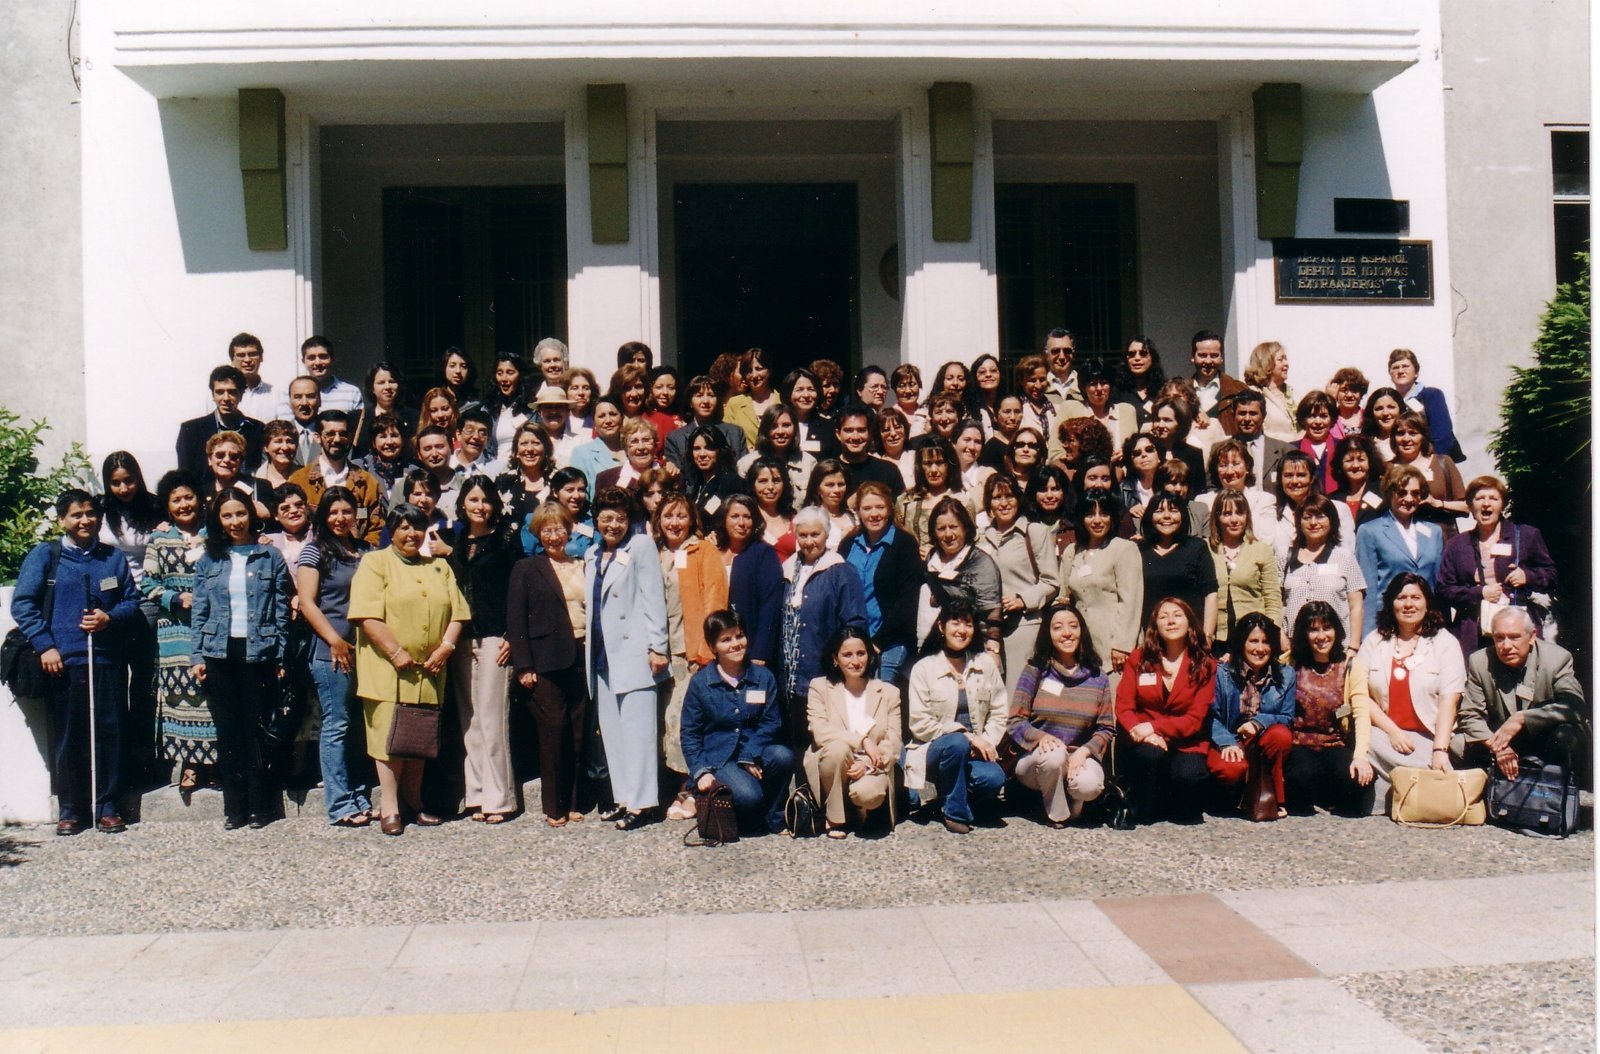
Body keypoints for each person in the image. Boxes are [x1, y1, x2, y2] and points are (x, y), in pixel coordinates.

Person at [12, 490, 142, 835]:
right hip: (64, 662)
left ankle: (108, 805)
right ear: (62, 520)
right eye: (76, 515)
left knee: (110, 733)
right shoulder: (46, 555)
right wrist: (45, 646)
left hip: (106, 661)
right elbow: (23, 603)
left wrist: (108, 618)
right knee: (70, 737)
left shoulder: (112, 558)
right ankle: (71, 808)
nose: (84, 520)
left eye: (89, 514)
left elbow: (131, 601)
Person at [349, 504, 470, 835]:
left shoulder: (440, 567)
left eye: (417, 527)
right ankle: (390, 808)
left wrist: (445, 647)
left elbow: (458, 613)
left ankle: (413, 804)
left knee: (418, 740)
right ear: (391, 530)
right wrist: (395, 651)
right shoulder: (375, 563)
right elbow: (365, 614)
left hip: (429, 669)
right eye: (403, 527)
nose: (411, 534)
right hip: (388, 669)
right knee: (388, 740)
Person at [189, 491, 292, 829]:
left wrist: (280, 655)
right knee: (228, 732)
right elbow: (200, 611)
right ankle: (234, 808)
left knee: (256, 729)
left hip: (258, 651)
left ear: (250, 514)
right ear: (218, 520)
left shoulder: (270, 556)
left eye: (240, 514)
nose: (235, 522)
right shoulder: (209, 560)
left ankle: (260, 807)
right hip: (219, 652)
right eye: (227, 516)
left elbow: (280, 611)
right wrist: (197, 655)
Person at [586, 487, 670, 829]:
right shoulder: (592, 554)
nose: (613, 524)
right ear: (596, 520)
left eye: (621, 518)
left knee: (638, 732)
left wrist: (658, 647)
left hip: (634, 651)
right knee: (614, 732)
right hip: (603, 655)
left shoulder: (640, 547)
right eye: (606, 517)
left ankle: (643, 802)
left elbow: (653, 598)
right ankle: (623, 798)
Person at [295, 487, 375, 827]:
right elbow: (308, 602)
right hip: (331, 651)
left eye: (347, 511)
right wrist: (334, 640)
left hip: (366, 651)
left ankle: (358, 793)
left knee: (357, 726)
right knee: (337, 724)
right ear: (323, 516)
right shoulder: (314, 552)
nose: (340, 518)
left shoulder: (366, 551)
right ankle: (340, 803)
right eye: (333, 512)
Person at [1348, 573, 1465, 808]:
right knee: (1364, 740)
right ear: (1391, 603)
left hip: (1430, 736)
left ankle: (1402, 785)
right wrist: (1393, 732)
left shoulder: (1445, 642)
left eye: (1416, 597)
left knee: (1437, 758)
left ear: (1427, 603)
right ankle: (1429, 784)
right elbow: (1360, 696)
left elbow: (1449, 702)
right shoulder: (1375, 640)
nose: (1408, 604)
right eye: (1401, 598)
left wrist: (1439, 750)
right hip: (1386, 736)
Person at [507, 502, 591, 827]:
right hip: (544, 661)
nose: (554, 536)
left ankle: (572, 803)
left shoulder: (582, 564)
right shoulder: (527, 568)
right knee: (553, 731)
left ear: (569, 531)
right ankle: (553, 807)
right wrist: (524, 666)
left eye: (559, 529)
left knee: (577, 732)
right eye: (547, 530)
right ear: (538, 534)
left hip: (580, 654)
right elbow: (516, 620)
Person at [447, 476, 522, 824]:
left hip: (496, 636)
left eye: (485, 500)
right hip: (463, 637)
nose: (479, 506)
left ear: (494, 504)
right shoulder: (459, 541)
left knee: (493, 719)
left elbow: (519, 589)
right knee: (470, 720)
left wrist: (514, 633)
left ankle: (501, 798)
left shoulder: (506, 539)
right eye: (473, 499)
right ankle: (476, 794)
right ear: (463, 504)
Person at [681, 609, 795, 835]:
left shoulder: (763, 677)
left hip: (752, 750)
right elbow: (689, 733)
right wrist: (700, 771)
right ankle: (727, 808)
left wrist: (749, 753)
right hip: (719, 759)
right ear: (713, 647)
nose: (735, 644)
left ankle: (774, 818)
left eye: (739, 636)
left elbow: (771, 722)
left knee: (784, 756)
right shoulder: (701, 683)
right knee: (750, 796)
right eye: (726, 639)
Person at [652, 493, 728, 818]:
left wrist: (706, 650)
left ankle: (690, 789)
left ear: (692, 520)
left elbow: (715, 601)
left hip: (689, 650)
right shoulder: (653, 553)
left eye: (682, 516)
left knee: (682, 720)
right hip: (658, 651)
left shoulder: (702, 551)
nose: (675, 523)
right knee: (661, 723)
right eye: (669, 516)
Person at [904, 599, 1008, 834]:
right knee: (957, 742)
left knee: (994, 779)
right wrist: (968, 737)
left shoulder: (985, 664)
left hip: (975, 752)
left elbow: (999, 712)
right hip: (934, 751)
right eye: (955, 623)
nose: (962, 630)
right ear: (941, 627)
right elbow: (919, 723)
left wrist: (986, 742)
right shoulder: (924, 668)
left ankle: (947, 798)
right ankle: (955, 813)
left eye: (968, 624)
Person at [1005, 602, 1114, 826]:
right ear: (1048, 634)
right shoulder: (1035, 670)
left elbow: (1106, 728)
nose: (1066, 633)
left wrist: (1084, 752)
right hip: (1038, 759)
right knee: (1054, 756)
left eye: (1073, 626)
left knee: (1089, 785)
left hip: (1077, 757)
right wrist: (1041, 737)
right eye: (1057, 628)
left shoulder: (1098, 677)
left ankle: (1064, 799)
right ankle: (1059, 813)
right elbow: (1015, 720)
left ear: (1081, 631)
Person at [1115, 597, 1215, 825]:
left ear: (1190, 623)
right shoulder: (1139, 659)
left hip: (1186, 741)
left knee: (1189, 780)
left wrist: (1155, 726)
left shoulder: (1205, 665)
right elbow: (1124, 706)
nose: (1171, 621)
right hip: (1145, 740)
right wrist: (1146, 733)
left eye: (1178, 615)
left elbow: (1194, 719)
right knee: (1151, 758)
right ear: (1155, 626)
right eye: (1163, 616)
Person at [1455, 607, 1586, 777]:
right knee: (1457, 745)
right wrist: (1498, 747)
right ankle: (1490, 792)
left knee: (1566, 736)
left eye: (1514, 637)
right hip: (1504, 743)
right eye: (1499, 638)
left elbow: (1575, 706)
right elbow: (1469, 715)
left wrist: (1523, 718)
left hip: (1544, 739)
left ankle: (1559, 792)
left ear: (1532, 636)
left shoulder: (1557, 659)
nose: (1506, 646)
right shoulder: (1480, 661)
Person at [1437, 475, 1558, 655]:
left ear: (1502, 504)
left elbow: (1551, 574)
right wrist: (1479, 593)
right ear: (1470, 506)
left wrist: (1527, 576)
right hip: (1473, 632)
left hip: (1517, 629)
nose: (1486, 504)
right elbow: (1443, 589)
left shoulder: (1526, 535)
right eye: (1479, 499)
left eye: (1493, 498)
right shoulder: (1457, 544)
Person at [804, 625, 902, 837]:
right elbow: (821, 732)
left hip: (871, 765)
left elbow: (894, 742)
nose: (855, 661)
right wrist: (863, 741)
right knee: (837, 748)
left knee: (869, 793)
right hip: (833, 762)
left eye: (861, 653)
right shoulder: (820, 687)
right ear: (835, 658)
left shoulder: (889, 693)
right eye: (847, 655)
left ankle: (858, 808)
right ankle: (836, 817)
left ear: (870, 655)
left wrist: (867, 764)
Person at [99, 451, 161, 785]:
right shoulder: (99, 509)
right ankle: (116, 755)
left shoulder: (153, 507)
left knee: (143, 681)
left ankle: (143, 754)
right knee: (113, 679)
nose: (123, 488)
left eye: (128, 480)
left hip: (147, 599)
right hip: (111, 600)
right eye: (116, 482)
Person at [779, 507, 868, 729]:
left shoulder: (841, 570)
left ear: (826, 535)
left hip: (823, 672)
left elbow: (854, 622)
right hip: (790, 674)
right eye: (803, 535)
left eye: (815, 534)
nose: (809, 541)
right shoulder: (788, 568)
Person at [1284, 602, 1373, 816]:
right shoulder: (1290, 662)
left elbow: (1362, 713)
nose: (1321, 636)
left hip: (1334, 744)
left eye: (1327, 628)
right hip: (1299, 744)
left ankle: (1327, 796)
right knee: (1300, 778)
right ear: (1304, 633)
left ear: (1336, 630)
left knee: (1359, 790)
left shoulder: (1350, 666)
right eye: (1314, 629)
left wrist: (1360, 756)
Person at [1206, 612, 1294, 819]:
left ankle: (1274, 798)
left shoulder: (1287, 674)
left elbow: (1287, 717)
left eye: (1266, 642)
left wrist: (1259, 722)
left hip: (1260, 741)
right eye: (1253, 641)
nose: (1260, 649)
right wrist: (1227, 743)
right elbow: (1210, 716)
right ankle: (1235, 796)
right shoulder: (1221, 673)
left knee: (1281, 735)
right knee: (1230, 769)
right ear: (1241, 643)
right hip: (1229, 739)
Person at [976, 472, 1059, 688]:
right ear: (988, 503)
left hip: (1024, 627)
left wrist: (1022, 598)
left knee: (1018, 692)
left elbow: (1051, 582)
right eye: (996, 498)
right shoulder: (980, 538)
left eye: (1009, 496)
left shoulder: (1035, 532)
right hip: (987, 630)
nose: (1004, 503)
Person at [839, 481, 922, 687]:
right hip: (854, 640)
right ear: (858, 511)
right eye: (867, 508)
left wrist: (877, 642)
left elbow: (907, 601)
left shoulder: (904, 544)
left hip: (890, 640)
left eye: (880, 507)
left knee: (881, 696)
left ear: (889, 509)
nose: (874, 514)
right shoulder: (849, 543)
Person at [1354, 464, 1445, 638]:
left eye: (1415, 493)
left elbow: (1436, 584)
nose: (1409, 498)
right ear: (1389, 493)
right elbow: (1368, 590)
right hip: (1387, 623)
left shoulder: (1434, 532)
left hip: (1424, 624)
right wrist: (1369, 635)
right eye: (1402, 492)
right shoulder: (1370, 531)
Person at [1058, 490, 1144, 674]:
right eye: (1090, 514)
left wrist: (1122, 645)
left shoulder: (1123, 549)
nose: (1097, 520)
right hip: (1081, 647)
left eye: (1104, 514)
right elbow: (1064, 598)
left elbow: (1131, 602)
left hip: (1115, 648)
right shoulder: (1071, 552)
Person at [288, 410, 386, 546]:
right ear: (317, 437)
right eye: (330, 434)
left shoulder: (367, 483)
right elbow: (290, 526)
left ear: (350, 437)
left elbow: (376, 529)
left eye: (343, 434)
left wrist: (360, 555)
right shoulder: (299, 481)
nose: (337, 439)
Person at [923, 496, 1005, 657]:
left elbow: (992, 612)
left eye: (954, 527)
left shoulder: (981, 562)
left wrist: (993, 650)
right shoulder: (930, 558)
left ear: (966, 528)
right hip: (934, 646)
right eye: (941, 528)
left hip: (973, 648)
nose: (948, 534)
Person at [1280, 493, 1367, 641]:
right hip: (1295, 649)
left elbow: (1356, 607)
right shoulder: (1285, 557)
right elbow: (1277, 603)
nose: (1313, 522)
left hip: (1335, 648)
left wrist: (1353, 647)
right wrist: (1281, 636)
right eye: (1307, 517)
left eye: (1320, 516)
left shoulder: (1345, 557)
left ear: (1332, 520)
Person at [1208, 489, 1281, 658]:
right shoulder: (1205, 549)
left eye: (1239, 513)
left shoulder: (1262, 550)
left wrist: (1270, 633)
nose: (1234, 519)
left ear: (1247, 516)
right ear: (1217, 518)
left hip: (1254, 637)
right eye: (1227, 513)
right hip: (1216, 638)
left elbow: (1272, 598)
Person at [1137, 493, 1218, 638]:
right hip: (1152, 638)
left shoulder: (1197, 547)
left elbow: (1210, 594)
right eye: (1159, 511)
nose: (1167, 516)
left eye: (1174, 510)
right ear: (1150, 516)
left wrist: (1207, 636)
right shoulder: (1139, 550)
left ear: (1183, 515)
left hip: (1191, 637)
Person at [718, 494, 785, 668]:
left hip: (751, 649)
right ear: (724, 519)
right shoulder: (713, 551)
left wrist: (760, 652)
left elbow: (771, 604)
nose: (741, 523)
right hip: (719, 646)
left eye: (747, 517)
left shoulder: (764, 553)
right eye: (734, 516)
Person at [177, 365, 266, 478]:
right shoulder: (191, 431)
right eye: (220, 392)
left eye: (232, 392)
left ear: (241, 394)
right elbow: (186, 477)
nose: (226, 398)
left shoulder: (257, 429)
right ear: (213, 395)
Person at [1388, 410, 1467, 537]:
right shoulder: (1387, 469)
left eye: (1413, 433)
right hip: (1400, 540)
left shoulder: (1443, 462)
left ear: (1423, 437)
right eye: (1400, 433)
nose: (1406, 439)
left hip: (1442, 539)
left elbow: (1466, 507)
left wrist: (1438, 504)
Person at [895, 438, 973, 559]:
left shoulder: (963, 502)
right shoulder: (905, 501)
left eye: (940, 462)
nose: (934, 470)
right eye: (927, 463)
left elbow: (970, 543)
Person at [1388, 348, 1464, 462]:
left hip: (1430, 463)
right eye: (1395, 367)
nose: (1400, 371)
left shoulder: (1431, 395)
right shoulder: (1390, 402)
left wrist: (1430, 465)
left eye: (1405, 366)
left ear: (1416, 372)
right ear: (1390, 374)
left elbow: (1442, 437)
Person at [664, 374, 747, 473]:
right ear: (690, 402)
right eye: (699, 396)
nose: (706, 401)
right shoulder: (675, 439)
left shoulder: (735, 433)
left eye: (711, 395)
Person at [736, 404, 817, 497]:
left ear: (795, 428)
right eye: (773, 426)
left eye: (786, 425)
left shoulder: (809, 463)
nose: (780, 431)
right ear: (765, 430)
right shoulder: (747, 464)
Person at [494, 420, 554, 542]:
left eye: (536, 443)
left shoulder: (556, 481)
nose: (530, 449)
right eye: (524, 443)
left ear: (546, 449)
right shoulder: (503, 481)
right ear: (516, 451)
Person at [280, 336, 364, 418]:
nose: (317, 362)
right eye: (311, 358)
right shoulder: (289, 394)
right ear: (303, 361)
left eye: (323, 356)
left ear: (333, 359)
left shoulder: (351, 393)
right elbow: (287, 428)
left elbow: (357, 428)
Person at [835, 404, 906, 499]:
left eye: (861, 430)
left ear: (869, 433)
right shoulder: (827, 471)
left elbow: (900, 510)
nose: (855, 437)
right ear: (838, 434)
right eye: (849, 430)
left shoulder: (888, 471)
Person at [1066, 362, 1137, 453]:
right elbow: (1056, 453)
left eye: (1104, 383)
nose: (1099, 388)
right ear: (1084, 388)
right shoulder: (1070, 409)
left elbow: (1136, 448)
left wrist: (1125, 453)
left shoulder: (1127, 411)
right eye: (1093, 383)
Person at [1228, 389, 1292, 488]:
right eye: (1242, 413)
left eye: (1253, 414)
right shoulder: (1220, 450)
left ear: (1264, 416)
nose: (1247, 419)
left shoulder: (1284, 451)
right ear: (1233, 415)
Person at [1188, 329, 1247, 434]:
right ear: (1193, 357)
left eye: (1214, 355)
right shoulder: (1180, 392)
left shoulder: (1239, 390)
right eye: (1202, 355)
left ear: (1221, 358)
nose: (1208, 361)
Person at [680, 426, 743, 523]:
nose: (702, 454)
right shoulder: (698, 485)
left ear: (720, 451)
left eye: (709, 448)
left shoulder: (731, 483)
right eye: (696, 449)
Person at [569, 397, 627, 498]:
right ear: (594, 423)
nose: (608, 420)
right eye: (601, 416)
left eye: (613, 414)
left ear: (622, 418)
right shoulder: (581, 454)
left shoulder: (632, 451)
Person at [723, 347, 781, 446]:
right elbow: (728, 440)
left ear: (769, 370)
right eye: (749, 370)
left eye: (759, 369)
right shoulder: (734, 404)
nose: (754, 375)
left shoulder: (783, 400)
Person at [1329, 433, 1386, 530]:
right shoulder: (1332, 500)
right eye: (1349, 460)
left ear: (1370, 462)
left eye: (1361, 460)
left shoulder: (1383, 493)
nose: (1355, 465)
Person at [353, 361, 411, 454]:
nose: (387, 386)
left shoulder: (413, 416)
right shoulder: (357, 418)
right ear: (372, 388)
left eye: (392, 381)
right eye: (381, 383)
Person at [1243, 341, 1297, 443]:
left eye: (1286, 359)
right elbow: (1261, 432)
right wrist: (1295, 439)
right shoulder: (1254, 394)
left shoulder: (1292, 393)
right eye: (1281, 360)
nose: (1286, 363)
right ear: (1267, 364)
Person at [482, 352, 530, 462]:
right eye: (499, 373)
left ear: (520, 375)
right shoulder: (488, 410)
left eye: (510, 372)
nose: (504, 378)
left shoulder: (532, 410)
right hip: (495, 469)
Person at [746, 457, 797, 561]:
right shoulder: (745, 518)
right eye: (763, 481)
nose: (770, 486)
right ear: (752, 485)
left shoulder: (795, 519)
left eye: (776, 480)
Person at [1292, 390, 1342, 493]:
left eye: (1324, 416)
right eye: (1312, 416)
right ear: (1302, 420)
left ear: (1332, 420)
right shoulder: (1292, 449)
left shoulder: (1342, 447)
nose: (1318, 422)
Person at [800, 458, 856, 549]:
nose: (836, 490)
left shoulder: (854, 517)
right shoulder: (808, 519)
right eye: (830, 485)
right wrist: (843, 540)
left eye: (841, 484)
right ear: (817, 488)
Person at [594, 417, 660, 494]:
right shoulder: (606, 479)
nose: (641, 447)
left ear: (655, 445)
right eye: (634, 441)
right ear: (625, 448)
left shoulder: (670, 475)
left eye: (646, 440)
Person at [1115, 334, 1168, 426]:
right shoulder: (1117, 390)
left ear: (1152, 358)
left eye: (1143, 353)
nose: (1137, 358)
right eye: (1131, 354)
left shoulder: (1164, 389)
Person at [354, 413, 412, 496]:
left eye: (394, 436)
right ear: (373, 442)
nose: (389, 442)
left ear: (403, 440)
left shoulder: (413, 472)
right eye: (383, 436)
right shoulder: (358, 468)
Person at [787, 368, 839, 458]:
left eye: (811, 389)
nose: (806, 395)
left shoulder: (829, 427)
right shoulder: (777, 425)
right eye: (799, 390)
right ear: (788, 393)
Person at [226, 332, 276, 423]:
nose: (247, 360)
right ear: (232, 360)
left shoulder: (277, 395)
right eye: (241, 355)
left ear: (261, 357)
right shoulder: (221, 396)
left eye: (252, 354)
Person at [1041, 329, 1085, 418]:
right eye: (1055, 351)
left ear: (1073, 353)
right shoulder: (1039, 386)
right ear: (1046, 354)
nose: (1061, 356)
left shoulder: (1084, 385)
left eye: (1067, 351)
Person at [1362, 387, 1405, 462]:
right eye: (1379, 408)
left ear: (1400, 409)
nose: (1385, 413)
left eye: (1391, 407)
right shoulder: (1364, 443)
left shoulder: (1409, 441)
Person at [1330, 366, 1369, 437]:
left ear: (1361, 393)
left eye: (1354, 390)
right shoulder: (1329, 418)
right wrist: (1328, 398)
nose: (1349, 395)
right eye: (1344, 390)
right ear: (1336, 392)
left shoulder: (1369, 417)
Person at [438, 347, 480, 412]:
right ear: (444, 368)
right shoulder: (435, 400)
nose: (458, 371)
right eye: (452, 366)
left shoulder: (474, 405)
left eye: (463, 366)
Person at [562, 366, 599, 437]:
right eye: (575, 388)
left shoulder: (596, 421)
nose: (581, 393)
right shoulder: (559, 421)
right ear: (565, 392)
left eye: (586, 388)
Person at [891, 363, 925, 435]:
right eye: (902, 386)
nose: (908, 391)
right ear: (894, 389)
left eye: (912, 384)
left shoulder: (926, 413)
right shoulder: (890, 417)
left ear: (919, 385)